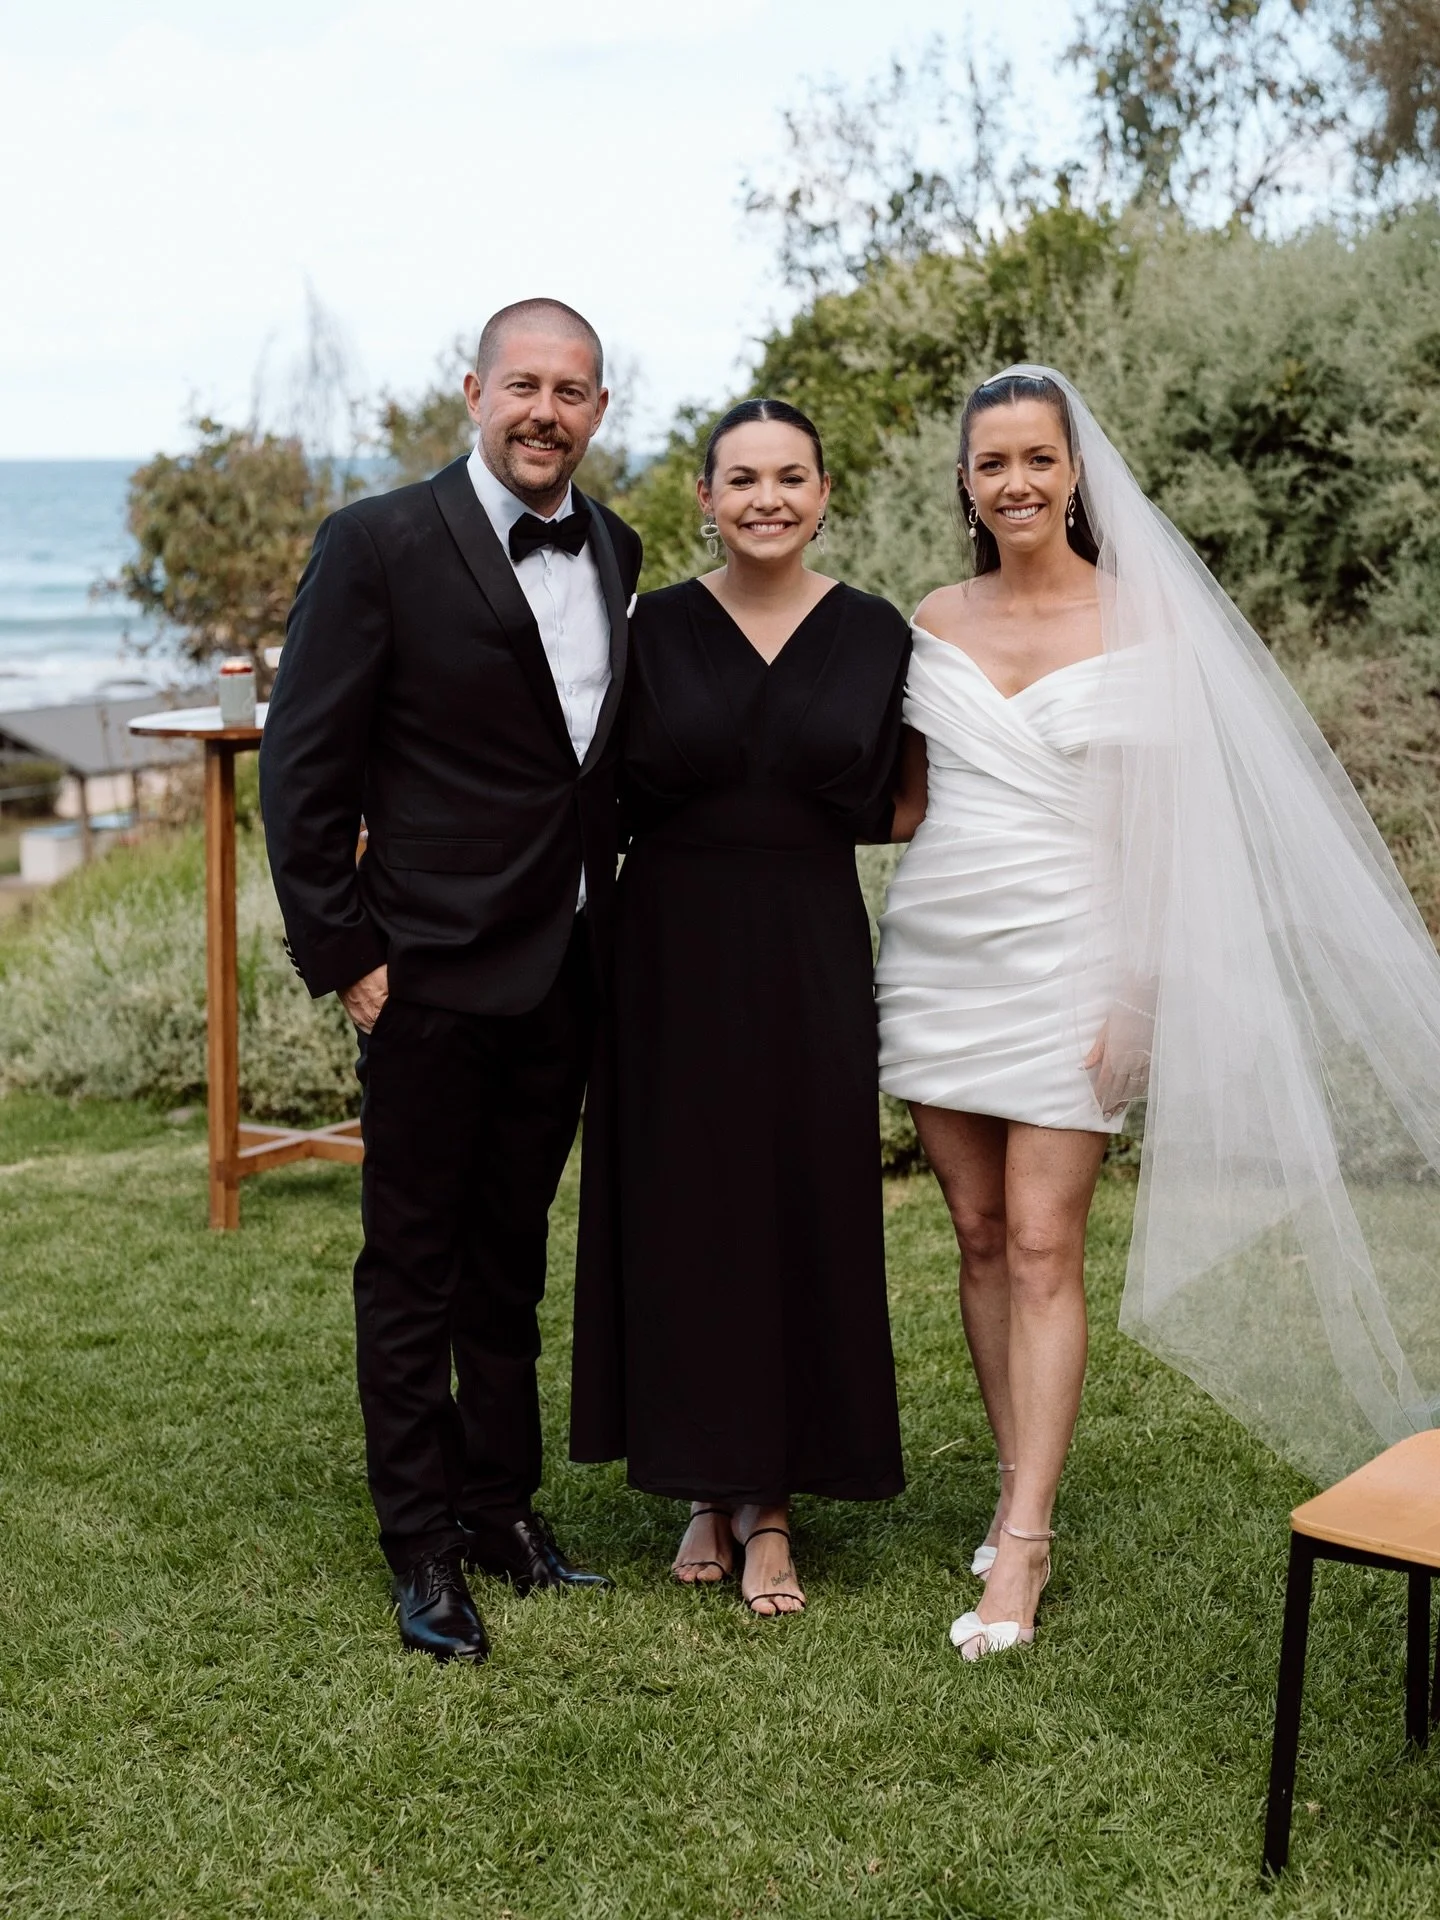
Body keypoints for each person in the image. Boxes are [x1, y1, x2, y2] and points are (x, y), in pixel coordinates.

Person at [877, 366, 1440, 1662]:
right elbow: (905, 801)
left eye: (1039, 458)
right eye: (992, 462)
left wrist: (1138, 991)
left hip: (1078, 958)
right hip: (941, 956)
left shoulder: (1144, 623)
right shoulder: (933, 617)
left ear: (1077, 473)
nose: (1017, 481)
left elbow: (1171, 831)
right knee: (976, 1237)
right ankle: (1013, 1487)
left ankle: (1027, 1542)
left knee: (1042, 1246)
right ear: (965, 482)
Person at [261, 298, 643, 1664]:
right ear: (475, 391)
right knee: (413, 1269)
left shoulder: (616, 545)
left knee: (510, 1259)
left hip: (564, 970)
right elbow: (302, 765)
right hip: (422, 973)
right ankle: (420, 1547)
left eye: (572, 390)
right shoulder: (375, 542)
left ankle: (500, 1509)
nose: (546, 411)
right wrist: (347, 955)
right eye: (523, 385)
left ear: (600, 410)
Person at [570, 399, 910, 1616]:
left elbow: (911, 798)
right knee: (684, 1213)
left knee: (800, 1204)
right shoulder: (647, 628)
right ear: (705, 500)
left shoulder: (879, 633)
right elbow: (583, 789)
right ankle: (703, 1487)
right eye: (744, 479)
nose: (769, 498)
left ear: (825, 495)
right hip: (667, 952)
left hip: (810, 949)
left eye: (792, 477)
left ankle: (770, 1507)